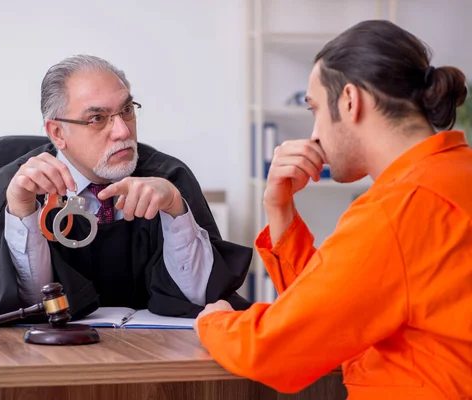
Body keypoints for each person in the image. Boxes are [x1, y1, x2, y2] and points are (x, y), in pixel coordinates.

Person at [194, 20, 472, 399]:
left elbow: (274, 348)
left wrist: (213, 320)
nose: (313, 135)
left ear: (350, 101)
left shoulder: (398, 209)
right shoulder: (453, 176)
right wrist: (280, 208)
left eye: (315, 109)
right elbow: (329, 311)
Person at [0, 55, 252, 323]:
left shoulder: (169, 178)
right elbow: (24, 305)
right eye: (97, 119)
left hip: (154, 360)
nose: (123, 131)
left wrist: (175, 209)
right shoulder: (14, 187)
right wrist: (24, 214)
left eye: (126, 111)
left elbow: (201, 298)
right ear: (58, 132)